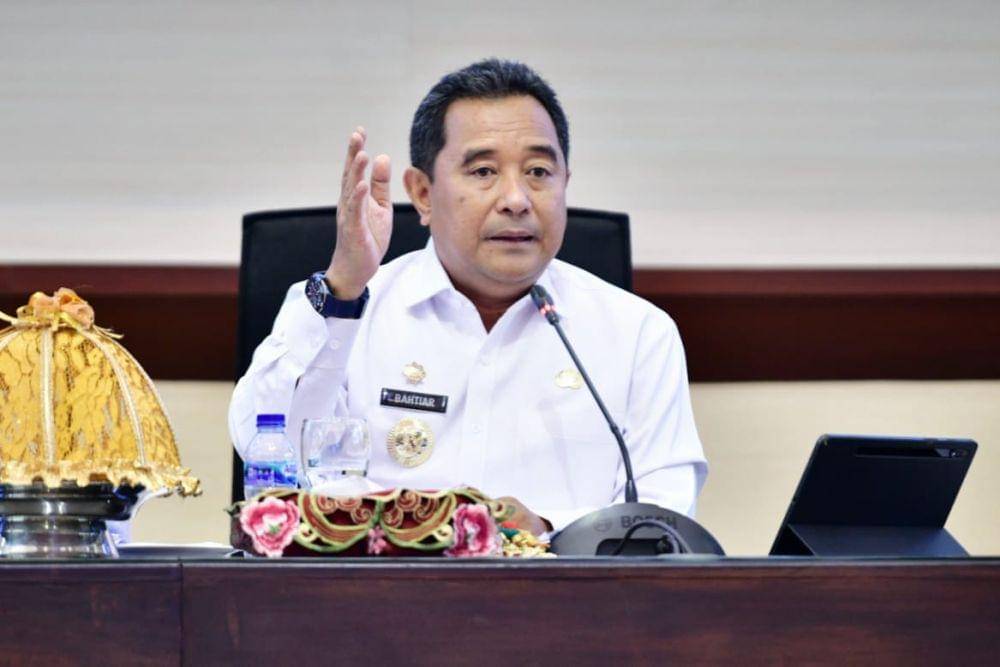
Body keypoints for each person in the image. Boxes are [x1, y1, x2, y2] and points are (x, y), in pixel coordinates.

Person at [229, 59, 707, 535]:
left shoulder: (637, 333)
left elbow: (664, 515)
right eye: (483, 171)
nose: (516, 199)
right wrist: (343, 288)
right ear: (422, 193)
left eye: (539, 171)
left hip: (563, 584)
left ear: (565, 183)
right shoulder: (348, 308)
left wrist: (546, 529)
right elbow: (265, 448)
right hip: (380, 582)